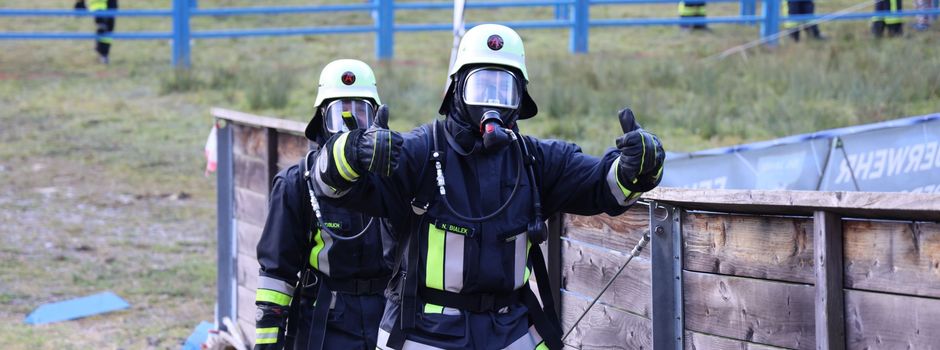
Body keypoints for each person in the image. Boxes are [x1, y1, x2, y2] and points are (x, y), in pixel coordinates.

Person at [309, 24, 665, 350]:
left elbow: (602, 187)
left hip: (510, 329)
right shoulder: (418, 152)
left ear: (519, 101)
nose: (491, 101)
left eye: (504, 89)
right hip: (424, 332)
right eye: (482, 85)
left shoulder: (536, 160)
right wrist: (354, 152)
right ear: (457, 91)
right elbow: (331, 188)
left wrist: (636, 169)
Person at [253, 59, 396, 350]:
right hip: (324, 324)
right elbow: (276, 273)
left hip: (388, 318)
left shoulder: (394, 179)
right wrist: (268, 343)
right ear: (321, 121)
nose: (350, 126)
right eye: (339, 115)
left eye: (361, 113)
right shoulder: (296, 183)